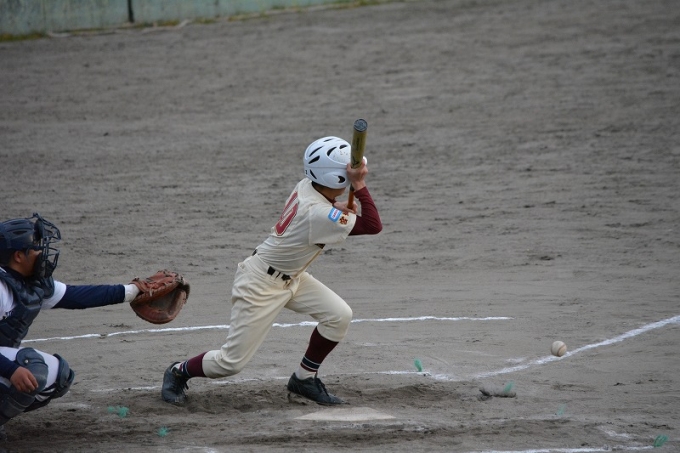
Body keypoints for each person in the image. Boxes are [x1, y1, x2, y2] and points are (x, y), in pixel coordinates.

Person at [161, 135, 382, 406]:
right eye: (347, 173)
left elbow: (332, 213)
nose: (353, 174)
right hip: (260, 284)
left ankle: (303, 379)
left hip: (292, 277)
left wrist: (342, 208)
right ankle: (178, 371)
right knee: (230, 363)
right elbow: (373, 225)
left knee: (339, 315)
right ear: (335, 179)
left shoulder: (308, 187)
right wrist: (358, 186)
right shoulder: (317, 215)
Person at [0, 213, 155, 435]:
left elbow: (75, 296)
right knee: (32, 368)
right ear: (18, 256)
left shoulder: (28, 282)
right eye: (35, 248)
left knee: (58, 375)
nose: (42, 252)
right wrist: (11, 369)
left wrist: (132, 291)